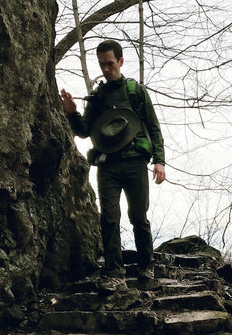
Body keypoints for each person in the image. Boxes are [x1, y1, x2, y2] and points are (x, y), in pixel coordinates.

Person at [60, 39, 166, 289]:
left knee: (138, 216)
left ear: (120, 61)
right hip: (107, 165)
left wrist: (159, 161)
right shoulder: (97, 96)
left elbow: (153, 127)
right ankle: (114, 273)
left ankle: (146, 266)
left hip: (134, 162)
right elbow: (86, 131)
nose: (106, 69)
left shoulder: (136, 92)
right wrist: (72, 112)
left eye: (110, 64)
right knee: (109, 217)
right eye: (102, 65)